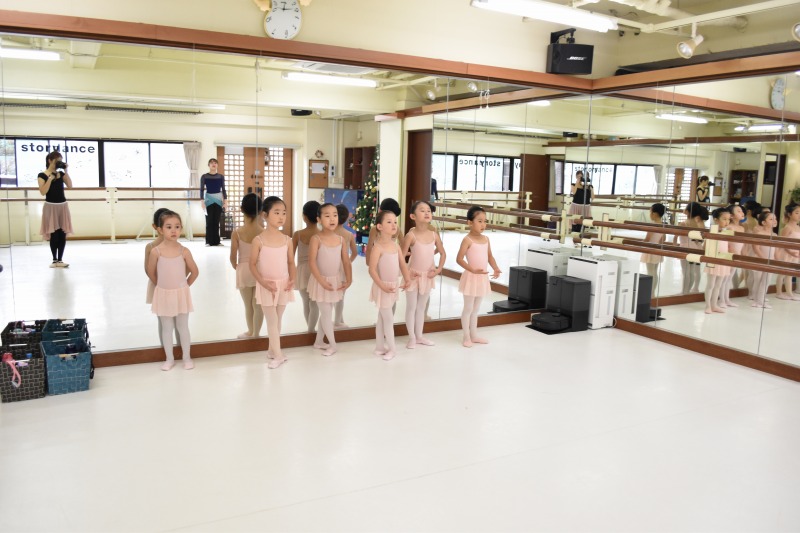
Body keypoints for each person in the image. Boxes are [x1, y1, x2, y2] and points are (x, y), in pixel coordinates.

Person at [147, 210, 199, 371]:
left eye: (177, 227)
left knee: (183, 327)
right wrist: (160, 286)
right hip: (163, 294)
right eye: (169, 227)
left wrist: (184, 286)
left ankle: (187, 357)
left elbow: (195, 272)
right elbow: (150, 272)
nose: (174, 230)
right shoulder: (156, 251)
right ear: (160, 230)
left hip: (181, 294)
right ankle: (169, 359)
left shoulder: (184, 251)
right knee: (167, 328)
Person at [250, 196, 296, 369]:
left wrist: (292, 279)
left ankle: (272, 350)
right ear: (265, 215)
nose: (281, 216)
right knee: (271, 320)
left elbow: (291, 262)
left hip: (283, 285)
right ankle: (278, 355)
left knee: (278, 319)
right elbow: (252, 265)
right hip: (266, 286)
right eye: (276, 213)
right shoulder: (258, 240)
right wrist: (263, 283)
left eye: (284, 213)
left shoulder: (287, 240)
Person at [308, 203, 352, 357]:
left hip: (335, 281)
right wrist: (321, 281)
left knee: (327, 312)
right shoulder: (316, 239)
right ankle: (333, 345)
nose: (332, 219)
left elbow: (346, 261)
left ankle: (319, 341)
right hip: (320, 282)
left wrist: (349, 279)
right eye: (327, 216)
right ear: (319, 219)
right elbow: (312, 262)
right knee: (326, 313)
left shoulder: (341, 239)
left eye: (335, 215)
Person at [401, 200, 446, 349]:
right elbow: (401, 257)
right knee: (411, 307)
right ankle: (411, 337)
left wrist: (438, 270)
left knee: (421, 307)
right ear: (413, 216)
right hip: (413, 276)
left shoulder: (434, 235)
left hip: (428, 276)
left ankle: (419, 336)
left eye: (428, 210)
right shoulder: (411, 235)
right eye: (422, 210)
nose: (427, 213)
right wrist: (407, 276)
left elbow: (443, 253)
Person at [456, 206, 501, 347]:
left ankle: (474, 335)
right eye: (479, 221)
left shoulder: (486, 239)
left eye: (485, 221)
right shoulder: (467, 240)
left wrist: (495, 268)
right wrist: (472, 269)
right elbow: (459, 259)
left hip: (482, 278)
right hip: (471, 277)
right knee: (468, 308)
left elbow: (489, 256)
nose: (483, 224)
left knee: (476, 309)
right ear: (470, 222)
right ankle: (466, 337)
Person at [369, 210, 411, 361]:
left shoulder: (396, 246)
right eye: (389, 222)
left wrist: (407, 279)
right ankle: (392, 349)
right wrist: (382, 286)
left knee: (382, 318)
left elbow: (403, 265)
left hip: (392, 286)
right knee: (388, 319)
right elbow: (372, 270)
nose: (394, 225)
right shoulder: (377, 247)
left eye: (395, 222)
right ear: (379, 226)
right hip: (383, 287)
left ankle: (379, 347)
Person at [145, 207, 181, 347]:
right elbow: (148, 270)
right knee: (166, 320)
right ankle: (167, 348)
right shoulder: (151, 247)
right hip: (159, 286)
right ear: (157, 227)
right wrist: (161, 284)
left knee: (173, 320)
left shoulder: (177, 246)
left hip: (174, 286)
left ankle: (175, 347)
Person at [230, 193, 264, 339]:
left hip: (244, 270)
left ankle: (250, 332)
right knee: (258, 305)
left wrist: (238, 267)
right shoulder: (264, 233)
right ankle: (256, 334)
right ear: (261, 211)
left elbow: (232, 258)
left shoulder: (237, 233)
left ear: (241, 209)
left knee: (248, 305)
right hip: (260, 270)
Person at [37, 150, 73, 267]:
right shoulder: (42, 175)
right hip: (50, 206)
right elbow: (43, 192)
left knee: (62, 234)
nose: (59, 163)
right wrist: (50, 178)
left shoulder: (61, 174)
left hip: (62, 206)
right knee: (54, 234)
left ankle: (60, 260)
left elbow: (70, 186)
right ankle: (54, 260)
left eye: (60, 161)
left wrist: (65, 171)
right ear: (50, 161)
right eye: (57, 161)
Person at [292, 200, 321, 332]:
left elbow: (290, 256)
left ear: (304, 217)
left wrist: (291, 272)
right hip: (317, 270)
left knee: (306, 301)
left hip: (302, 271)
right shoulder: (322, 234)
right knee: (314, 302)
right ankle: (311, 330)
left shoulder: (297, 234)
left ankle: (310, 330)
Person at [333, 204, 358, 328]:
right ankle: (339, 320)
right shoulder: (348, 234)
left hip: (330, 267)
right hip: (343, 268)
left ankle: (338, 320)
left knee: (332, 295)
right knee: (341, 296)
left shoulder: (329, 232)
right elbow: (355, 253)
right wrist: (347, 262)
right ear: (347, 218)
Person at [704, 207, 732, 314]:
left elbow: (727, 246)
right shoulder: (712, 231)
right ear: (716, 219)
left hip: (723, 260)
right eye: (724, 219)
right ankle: (708, 306)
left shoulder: (727, 232)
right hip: (713, 260)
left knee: (718, 285)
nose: (727, 222)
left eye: (728, 219)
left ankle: (714, 305)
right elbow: (705, 246)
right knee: (711, 284)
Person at [749, 211, 777, 308]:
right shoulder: (759, 233)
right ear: (764, 222)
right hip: (760, 260)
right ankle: (756, 300)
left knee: (766, 281)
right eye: (771, 219)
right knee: (758, 280)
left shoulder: (774, 235)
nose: (774, 221)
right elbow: (756, 248)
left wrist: (775, 260)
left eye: (775, 219)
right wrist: (764, 259)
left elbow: (775, 250)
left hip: (770, 261)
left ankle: (761, 300)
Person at [678, 202, 708, 294]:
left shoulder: (683, 223)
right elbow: (700, 239)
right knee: (691, 271)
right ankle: (687, 290)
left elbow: (677, 235)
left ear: (688, 211)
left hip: (685, 247)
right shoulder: (697, 224)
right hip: (696, 248)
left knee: (685, 272)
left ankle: (684, 291)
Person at [639, 203, 666, 296]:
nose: (649, 214)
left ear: (655, 214)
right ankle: (653, 292)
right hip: (657, 250)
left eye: (650, 212)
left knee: (650, 272)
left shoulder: (652, 225)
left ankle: (651, 294)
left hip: (650, 249)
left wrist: (639, 243)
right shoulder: (663, 225)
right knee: (654, 271)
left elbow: (647, 239)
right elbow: (663, 239)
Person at [199, 158, 227, 247]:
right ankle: (208, 241)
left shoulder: (221, 176)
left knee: (216, 221)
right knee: (209, 222)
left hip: (218, 200)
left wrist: (225, 201)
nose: (213, 164)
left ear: (217, 165)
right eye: (211, 163)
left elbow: (223, 189)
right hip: (208, 200)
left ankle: (216, 241)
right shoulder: (204, 176)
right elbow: (201, 189)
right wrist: (202, 201)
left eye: (215, 163)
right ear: (209, 165)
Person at [721, 204, 745, 304]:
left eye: (742, 211)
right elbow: (725, 243)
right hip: (729, 255)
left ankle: (726, 299)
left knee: (729, 278)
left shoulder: (742, 228)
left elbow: (742, 244)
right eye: (738, 211)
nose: (742, 213)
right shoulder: (729, 227)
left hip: (736, 255)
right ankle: (722, 300)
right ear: (731, 215)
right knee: (724, 278)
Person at [775, 202, 800, 300]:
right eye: (797, 213)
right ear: (789, 214)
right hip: (786, 253)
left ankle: (789, 293)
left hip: (795, 254)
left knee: (790, 274)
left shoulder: (798, 227)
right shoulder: (787, 228)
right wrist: (790, 252)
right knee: (782, 273)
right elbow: (782, 243)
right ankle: (778, 292)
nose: (799, 215)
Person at [365, 198, 402, 265]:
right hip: (392, 260)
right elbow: (403, 244)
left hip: (379, 260)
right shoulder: (397, 229)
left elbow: (369, 247)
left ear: (381, 211)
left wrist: (368, 262)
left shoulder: (375, 229)